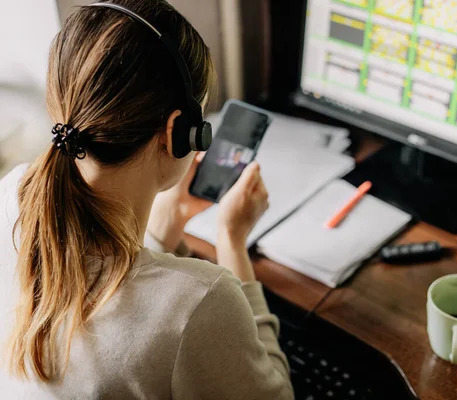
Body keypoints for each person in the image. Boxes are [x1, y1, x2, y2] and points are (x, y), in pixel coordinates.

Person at [0, 0, 293, 398]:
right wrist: (232, 241)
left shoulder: (13, 194)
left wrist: (157, 235)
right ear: (178, 131)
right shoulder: (202, 301)